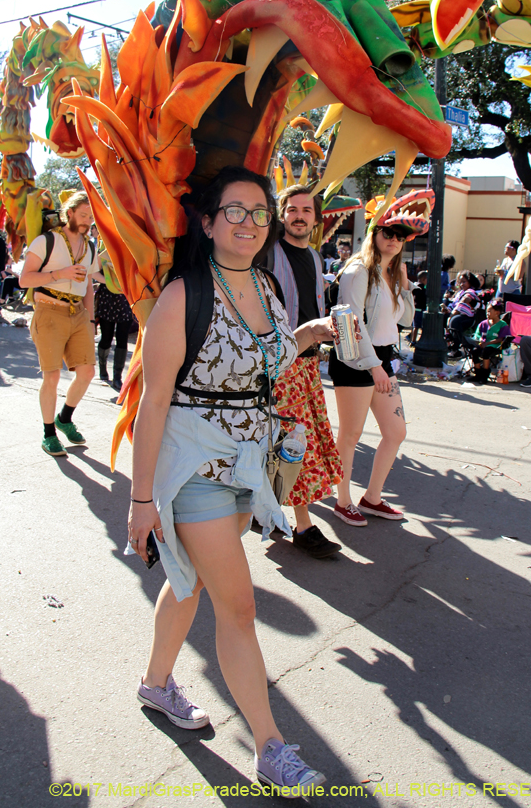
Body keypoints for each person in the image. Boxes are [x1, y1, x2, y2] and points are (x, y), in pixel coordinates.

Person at [127, 166, 333, 793]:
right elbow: (152, 403)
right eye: (234, 211)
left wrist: (308, 336)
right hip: (195, 468)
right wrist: (140, 503)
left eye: (259, 211)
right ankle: (271, 746)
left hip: (250, 464)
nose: (249, 222)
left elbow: (263, 360)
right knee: (238, 606)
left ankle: (156, 684)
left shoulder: (269, 288)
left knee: (187, 584)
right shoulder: (182, 295)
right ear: (209, 222)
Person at [328, 205, 423, 527]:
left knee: (396, 432)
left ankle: (372, 497)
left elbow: (406, 321)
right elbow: (348, 323)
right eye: (389, 232)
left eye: (402, 236)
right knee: (351, 435)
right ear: (375, 233)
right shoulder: (357, 271)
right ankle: (343, 501)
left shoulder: (392, 275)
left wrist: (406, 284)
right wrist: (374, 367)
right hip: (355, 360)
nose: (395, 240)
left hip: (382, 358)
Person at [268, 184, 343, 558]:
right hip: (278, 360)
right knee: (295, 443)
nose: (299, 216)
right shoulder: (267, 251)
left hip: (308, 361)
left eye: (306, 211)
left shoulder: (315, 256)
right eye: (292, 209)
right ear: (282, 214)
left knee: (284, 440)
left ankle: (262, 507)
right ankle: (303, 526)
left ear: (315, 219)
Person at [19, 192, 100, 456]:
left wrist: (90, 319)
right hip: (49, 310)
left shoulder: (89, 247)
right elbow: (24, 280)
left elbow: (88, 283)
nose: (87, 220)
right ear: (70, 213)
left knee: (87, 373)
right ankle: (49, 434)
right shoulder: (47, 240)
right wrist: (60, 274)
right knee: (52, 376)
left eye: (91, 216)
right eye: (83, 214)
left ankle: (64, 418)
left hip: (78, 314)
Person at [94, 249, 134, 391]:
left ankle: (117, 376)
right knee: (106, 337)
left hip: (125, 299)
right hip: (107, 298)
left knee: (122, 338)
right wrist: (110, 281)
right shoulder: (104, 250)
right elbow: (93, 272)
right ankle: (102, 368)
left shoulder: (132, 247)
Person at [467, 299, 510, 384]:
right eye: (487, 311)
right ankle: (477, 374)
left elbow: (501, 339)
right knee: (474, 351)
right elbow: (477, 335)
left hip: (495, 346)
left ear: (497, 312)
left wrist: (488, 343)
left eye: (489, 311)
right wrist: (480, 340)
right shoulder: (483, 324)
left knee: (486, 352)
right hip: (483, 344)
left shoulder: (503, 325)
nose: (487, 313)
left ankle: (484, 375)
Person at [441, 270, 481, 357]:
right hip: (458, 314)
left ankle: (456, 348)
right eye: (461, 282)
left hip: (468, 317)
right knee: (443, 316)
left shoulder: (471, 292)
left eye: (464, 282)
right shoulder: (460, 293)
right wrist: (447, 310)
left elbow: (461, 306)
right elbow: (454, 304)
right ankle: (447, 340)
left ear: (470, 282)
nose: (462, 284)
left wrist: (451, 316)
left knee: (454, 321)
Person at [410, 270, 427, 344]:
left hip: (415, 309)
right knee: (420, 327)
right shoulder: (422, 288)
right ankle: (416, 340)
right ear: (424, 279)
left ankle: (413, 340)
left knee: (415, 326)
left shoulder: (414, 286)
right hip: (420, 309)